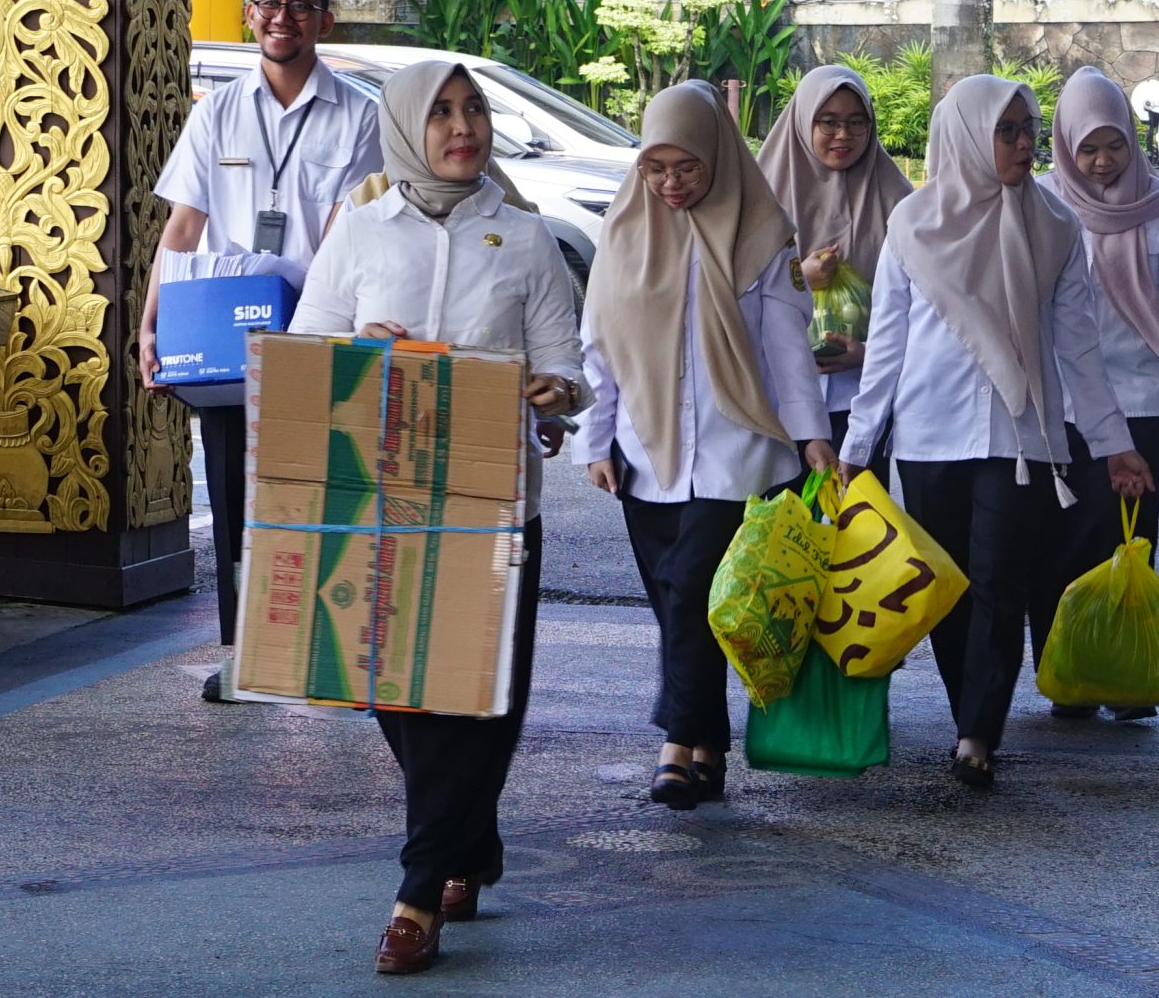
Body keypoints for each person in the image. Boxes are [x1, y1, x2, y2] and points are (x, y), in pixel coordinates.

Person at [288, 61, 588, 975]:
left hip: (493, 507)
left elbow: (569, 366)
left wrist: (555, 389)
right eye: (444, 112)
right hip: (382, 506)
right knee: (399, 695)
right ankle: (471, 840)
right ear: (409, 127)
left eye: (476, 109)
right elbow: (306, 353)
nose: (465, 126)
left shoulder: (526, 236)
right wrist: (357, 348)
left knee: (479, 693)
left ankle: (418, 891)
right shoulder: (361, 230)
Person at [839, 75, 1152, 790]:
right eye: (1005, 131)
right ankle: (968, 715)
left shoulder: (1055, 224)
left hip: (1021, 438)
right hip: (929, 433)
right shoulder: (914, 223)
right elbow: (886, 346)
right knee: (949, 588)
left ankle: (979, 733)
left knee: (999, 584)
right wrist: (858, 447)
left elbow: (1078, 347)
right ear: (968, 137)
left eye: (1028, 130)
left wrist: (1112, 442)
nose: (1022, 145)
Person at [577, 82, 835, 811]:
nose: (670, 183)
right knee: (678, 604)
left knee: (693, 588)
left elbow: (786, 347)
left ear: (717, 155)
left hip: (738, 451)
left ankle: (675, 744)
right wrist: (596, 441)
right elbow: (602, 347)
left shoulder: (762, 232)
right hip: (647, 454)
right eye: (655, 167)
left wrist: (813, 435)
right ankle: (709, 746)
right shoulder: (624, 232)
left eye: (686, 166)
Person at [137, 0, 381, 702]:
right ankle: (246, 655)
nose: (283, 18)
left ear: (325, 20)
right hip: (227, 342)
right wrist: (151, 326)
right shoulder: (217, 112)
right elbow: (184, 227)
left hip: (319, 336)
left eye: (300, 6)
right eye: (271, 3)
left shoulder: (360, 116)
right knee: (236, 498)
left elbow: (347, 232)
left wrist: (316, 327)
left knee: (324, 495)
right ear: (251, 13)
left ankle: (331, 654)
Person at [1041, 65, 1159, 722]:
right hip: (1061, 405)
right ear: (1065, 144)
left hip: (1142, 400)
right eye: (1088, 149)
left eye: (1114, 145)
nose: (1102, 162)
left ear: (1133, 138)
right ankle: (1070, 676)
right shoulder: (1042, 202)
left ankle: (1128, 676)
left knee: (1128, 541)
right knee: (1064, 546)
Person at [755, 64, 915, 474]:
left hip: (862, 396)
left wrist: (868, 354)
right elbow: (730, 290)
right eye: (828, 122)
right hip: (776, 394)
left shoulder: (899, 199)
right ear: (804, 121)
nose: (843, 135)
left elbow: (923, 302)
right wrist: (799, 280)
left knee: (859, 508)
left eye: (856, 122)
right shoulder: (759, 196)